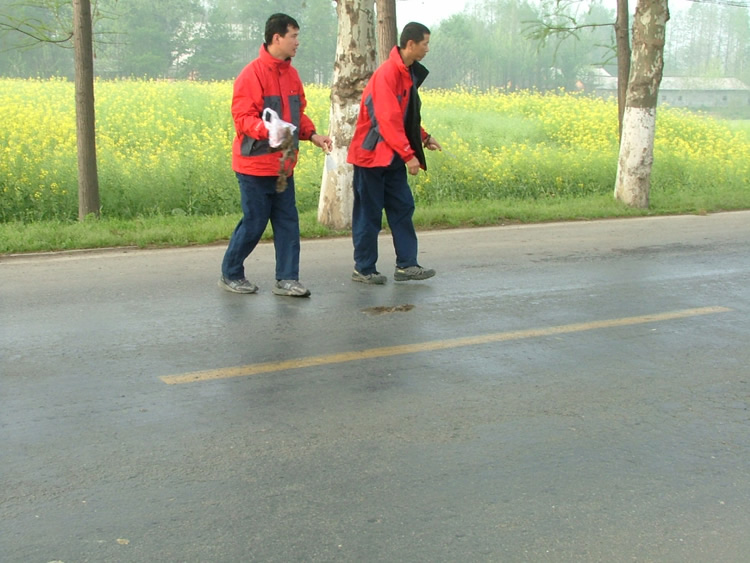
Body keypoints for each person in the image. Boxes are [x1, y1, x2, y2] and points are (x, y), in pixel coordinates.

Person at [219, 13, 332, 297]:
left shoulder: (292, 75)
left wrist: (313, 135)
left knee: (287, 223)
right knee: (254, 223)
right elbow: (242, 118)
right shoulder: (251, 75)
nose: (298, 42)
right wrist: (268, 129)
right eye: (294, 36)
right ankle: (231, 273)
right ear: (277, 38)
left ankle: (287, 279)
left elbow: (297, 114)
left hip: (283, 166)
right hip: (254, 166)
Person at [346, 22, 442, 285]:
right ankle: (364, 268)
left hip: (392, 157)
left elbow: (405, 117)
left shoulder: (407, 73)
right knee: (369, 214)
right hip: (371, 158)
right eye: (425, 43)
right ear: (410, 44)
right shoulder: (387, 74)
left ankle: (407, 265)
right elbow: (387, 120)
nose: (427, 49)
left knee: (402, 207)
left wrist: (424, 137)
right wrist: (409, 155)